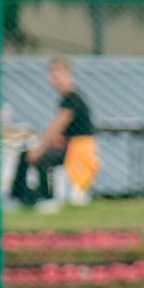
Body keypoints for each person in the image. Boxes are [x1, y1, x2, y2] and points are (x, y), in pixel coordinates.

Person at [13, 58, 99, 210]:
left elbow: (56, 127)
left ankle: (48, 198)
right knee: (24, 156)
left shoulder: (72, 99)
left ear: (68, 74)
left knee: (42, 159)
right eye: (52, 74)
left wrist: (40, 149)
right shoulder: (66, 99)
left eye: (58, 73)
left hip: (78, 149)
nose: (54, 78)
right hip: (68, 144)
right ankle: (18, 197)